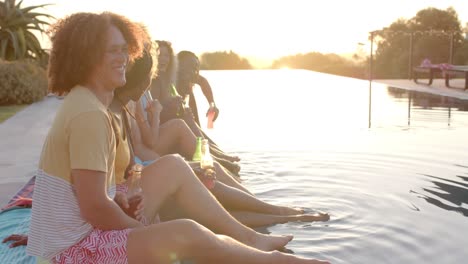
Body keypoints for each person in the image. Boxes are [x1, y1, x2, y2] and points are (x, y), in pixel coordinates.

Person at [25, 11, 329, 264]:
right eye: (112, 51)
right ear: (87, 58)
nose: (123, 59)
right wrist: (137, 228)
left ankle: (251, 239)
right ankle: (279, 262)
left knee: (173, 165)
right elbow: (94, 209)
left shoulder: (90, 104)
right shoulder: (88, 114)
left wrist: (119, 200)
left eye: (124, 49)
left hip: (77, 235)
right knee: (185, 232)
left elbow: (90, 194)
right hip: (71, 252)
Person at [115, 47, 330, 227]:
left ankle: (277, 211)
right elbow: (138, 157)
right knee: (210, 194)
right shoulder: (114, 110)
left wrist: (207, 104)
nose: (147, 87)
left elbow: (141, 150)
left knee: (209, 172)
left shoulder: (131, 103)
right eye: (145, 81)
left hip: (146, 173)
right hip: (140, 182)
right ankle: (278, 214)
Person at [150, 42, 241, 175]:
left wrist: (212, 104)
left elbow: (203, 82)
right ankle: (214, 157)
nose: (195, 72)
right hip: (163, 125)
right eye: (192, 67)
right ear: (179, 67)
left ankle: (218, 154)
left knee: (193, 122)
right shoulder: (165, 78)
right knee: (188, 120)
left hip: (177, 116)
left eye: (197, 68)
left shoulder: (181, 78)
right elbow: (154, 107)